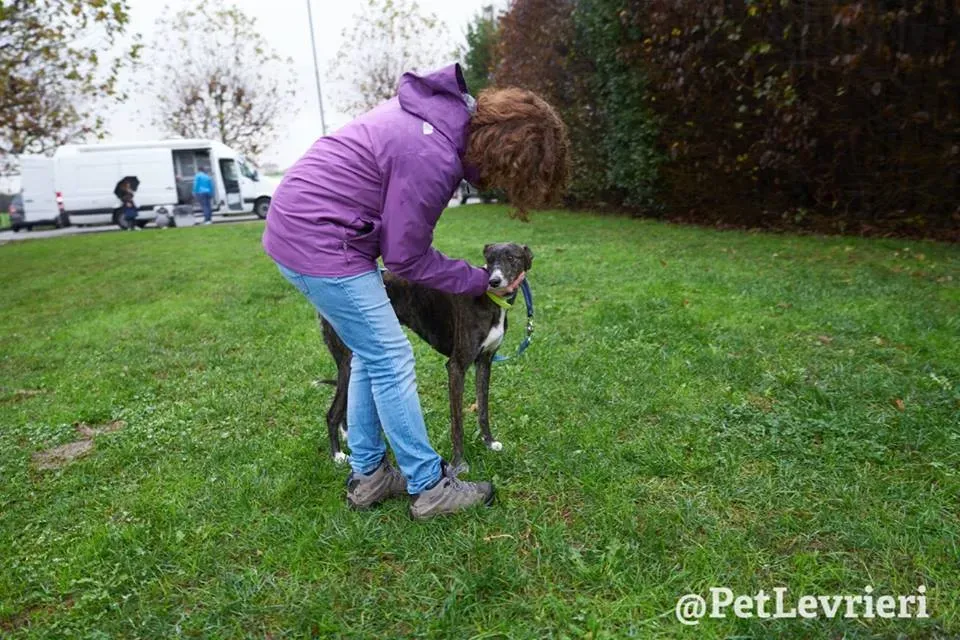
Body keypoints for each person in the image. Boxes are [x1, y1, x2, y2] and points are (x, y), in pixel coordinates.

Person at [263, 63, 569, 520]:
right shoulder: (434, 153)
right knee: (391, 356)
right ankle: (429, 486)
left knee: (372, 351)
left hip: (309, 230)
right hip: (320, 241)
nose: (498, 185)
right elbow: (405, 258)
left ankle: (369, 477)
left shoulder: (437, 120)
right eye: (508, 176)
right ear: (502, 153)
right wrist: (477, 280)